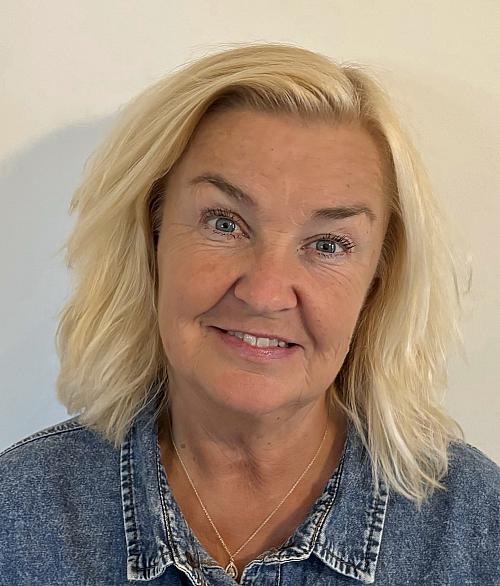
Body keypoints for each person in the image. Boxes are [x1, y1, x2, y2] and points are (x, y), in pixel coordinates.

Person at [0, 42, 498, 586]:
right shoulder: (19, 515)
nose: (264, 293)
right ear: (152, 235)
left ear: (379, 277)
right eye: (224, 223)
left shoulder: (475, 527)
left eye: (328, 244)